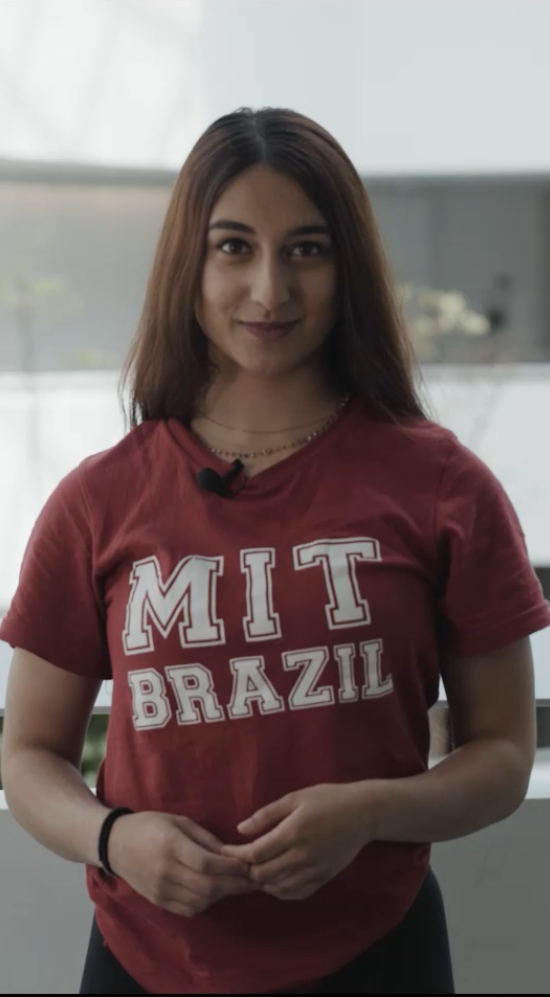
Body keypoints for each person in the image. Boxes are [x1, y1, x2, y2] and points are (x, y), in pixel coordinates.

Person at [1, 107, 548, 996]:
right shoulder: (99, 499)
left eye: (306, 249)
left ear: (349, 267)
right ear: (191, 261)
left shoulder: (444, 484)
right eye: (233, 248)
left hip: (378, 954)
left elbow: (501, 753)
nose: (268, 291)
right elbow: (28, 752)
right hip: (146, 960)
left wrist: (373, 810)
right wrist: (114, 837)